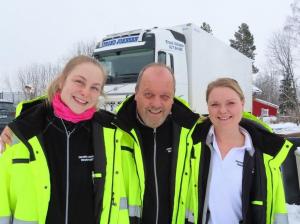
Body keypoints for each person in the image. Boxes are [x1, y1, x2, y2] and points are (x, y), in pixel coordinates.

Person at [0, 55, 126, 223]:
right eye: (79, 82)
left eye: (95, 88)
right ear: (62, 81)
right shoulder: (23, 133)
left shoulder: (111, 134)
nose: (85, 92)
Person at [188, 78, 292, 224]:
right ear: (208, 107)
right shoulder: (192, 147)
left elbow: (277, 208)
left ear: (242, 104)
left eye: (230, 103)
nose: (223, 110)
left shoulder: (265, 155)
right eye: (214, 104)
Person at [113, 63, 201, 223]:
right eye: (148, 94)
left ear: (173, 97)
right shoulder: (112, 133)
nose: (156, 104)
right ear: (136, 93)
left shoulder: (193, 134)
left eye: (165, 96)